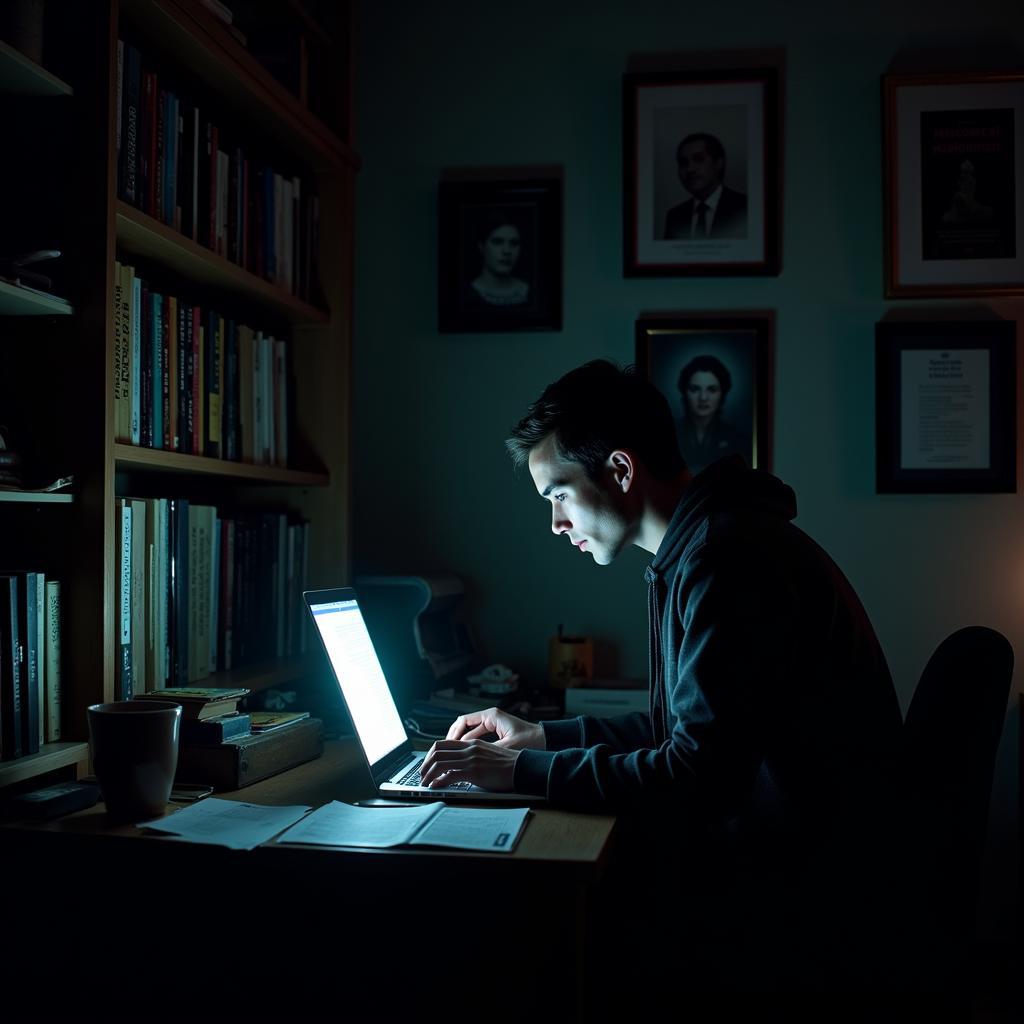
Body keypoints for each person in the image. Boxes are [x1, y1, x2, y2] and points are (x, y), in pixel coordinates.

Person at [420, 359, 905, 1006]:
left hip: (805, 894)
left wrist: (516, 774)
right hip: (795, 860)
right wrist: (539, 739)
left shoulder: (728, 560)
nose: (556, 524)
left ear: (620, 471)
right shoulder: (704, 547)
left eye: (559, 495)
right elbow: (683, 728)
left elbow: (697, 777)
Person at [663, 131, 748, 240]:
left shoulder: (745, 208)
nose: (689, 169)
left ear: (718, 163)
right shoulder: (674, 216)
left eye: (699, 159)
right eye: (683, 163)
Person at [676, 353, 749, 472]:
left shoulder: (737, 439)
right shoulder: (671, 434)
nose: (703, 397)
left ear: (722, 394)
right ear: (684, 392)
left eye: (712, 390)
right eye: (695, 389)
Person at [465, 210, 530, 307]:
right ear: (481, 246)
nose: (507, 251)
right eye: (497, 242)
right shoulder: (466, 295)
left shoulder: (530, 292)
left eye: (514, 243)